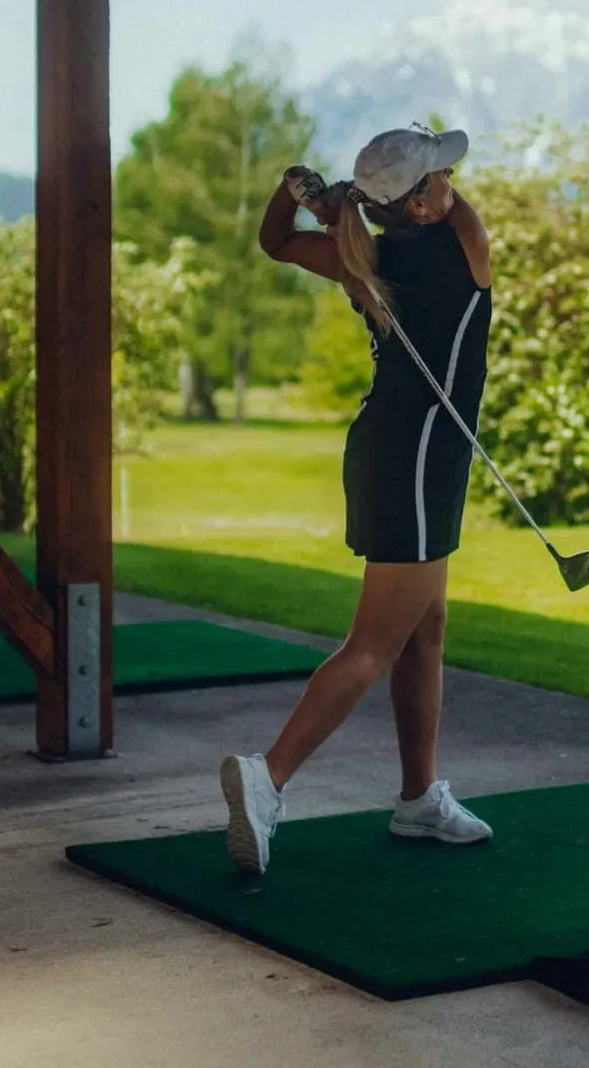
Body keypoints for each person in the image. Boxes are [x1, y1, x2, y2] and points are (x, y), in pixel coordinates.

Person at [219, 124, 495, 875]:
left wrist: (307, 196)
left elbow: (276, 242)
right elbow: (456, 207)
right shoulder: (460, 242)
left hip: (394, 449)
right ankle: (266, 778)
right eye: (436, 176)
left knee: (424, 628)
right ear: (419, 202)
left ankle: (417, 799)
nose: (450, 183)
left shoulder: (357, 255)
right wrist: (355, 202)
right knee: (374, 643)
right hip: (416, 460)